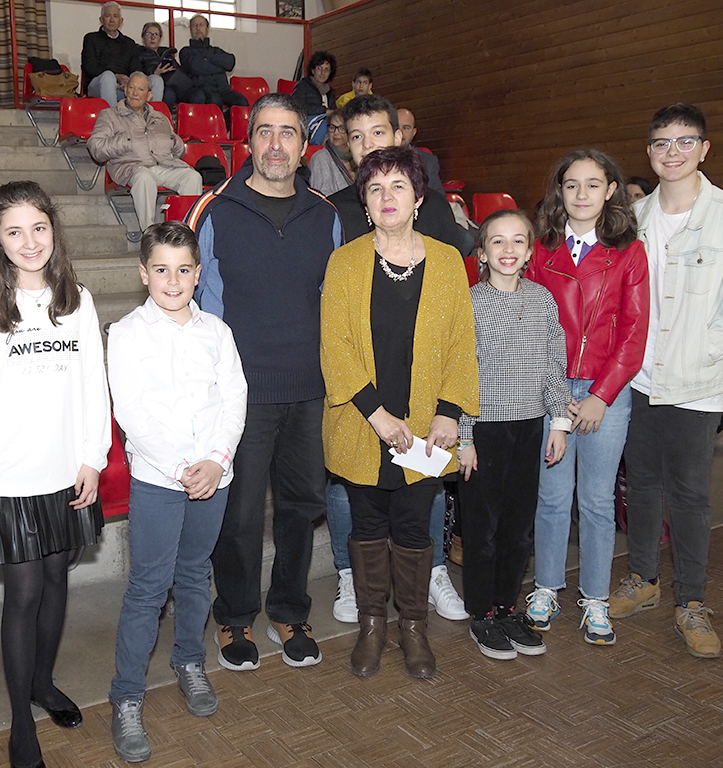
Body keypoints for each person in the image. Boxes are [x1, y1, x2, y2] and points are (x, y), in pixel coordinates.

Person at [184, 92, 342, 672]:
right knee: (242, 514)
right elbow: (190, 308)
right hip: (240, 395)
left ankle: (290, 610)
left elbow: (333, 304)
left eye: (289, 134)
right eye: (265, 132)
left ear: (305, 148)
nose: (276, 144)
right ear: (247, 142)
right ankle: (234, 618)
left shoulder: (326, 216)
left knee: (301, 507)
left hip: (309, 390)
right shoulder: (213, 210)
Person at [0, 181, 111, 768]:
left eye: (38, 228)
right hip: (10, 475)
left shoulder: (78, 299)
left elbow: (94, 384)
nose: (29, 241)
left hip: (67, 466)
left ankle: (42, 684)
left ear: (54, 231)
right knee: (22, 593)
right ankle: (22, 723)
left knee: (55, 578)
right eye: (14, 231)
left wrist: (93, 456)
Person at [610, 103, 723, 658]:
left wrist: (707, 352)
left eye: (684, 141)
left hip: (698, 382)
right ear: (649, 153)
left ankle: (692, 601)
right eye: (660, 143)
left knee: (691, 493)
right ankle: (645, 580)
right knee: (643, 484)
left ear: (704, 149)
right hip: (642, 379)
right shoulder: (637, 217)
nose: (671, 152)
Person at [321, 145, 477, 679]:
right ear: (364, 201)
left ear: (417, 198)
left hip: (428, 426)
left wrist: (450, 412)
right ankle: (371, 626)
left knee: (414, 528)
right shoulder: (345, 261)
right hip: (364, 423)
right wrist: (377, 415)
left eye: (398, 187)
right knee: (365, 526)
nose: (387, 198)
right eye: (375, 188)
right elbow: (334, 344)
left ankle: (413, 627)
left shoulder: (448, 259)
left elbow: (461, 343)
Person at [106, 221, 247, 764]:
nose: (173, 279)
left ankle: (189, 661)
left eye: (183, 269)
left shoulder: (217, 331)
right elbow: (132, 411)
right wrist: (186, 467)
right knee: (147, 587)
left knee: (194, 575)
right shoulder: (127, 333)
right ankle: (126, 696)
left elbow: (234, 397)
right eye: (161, 269)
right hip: (160, 482)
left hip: (215, 475)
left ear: (198, 272)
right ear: (144, 274)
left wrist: (216, 461)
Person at [523, 149, 649, 646]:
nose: (581, 194)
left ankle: (595, 597)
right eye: (571, 185)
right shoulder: (542, 247)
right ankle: (546, 587)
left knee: (596, 502)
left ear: (610, 190)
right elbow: (533, 326)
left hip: (605, 392)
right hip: (552, 389)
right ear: (559, 191)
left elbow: (635, 331)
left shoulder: (629, 251)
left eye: (592, 185)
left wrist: (600, 395)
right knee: (551, 499)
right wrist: (558, 396)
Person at [457, 209, 571, 660]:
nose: (508, 250)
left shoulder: (543, 300)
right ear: (482, 253)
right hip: (483, 431)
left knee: (518, 528)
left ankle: (507, 606)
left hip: (528, 428)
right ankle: (482, 613)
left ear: (529, 251)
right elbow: (459, 374)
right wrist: (464, 437)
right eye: (497, 242)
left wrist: (558, 421)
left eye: (518, 241)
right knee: (482, 530)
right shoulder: (469, 302)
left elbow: (552, 365)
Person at [330, 96, 472, 256]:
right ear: (349, 145)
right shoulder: (333, 211)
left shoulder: (433, 206)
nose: (367, 144)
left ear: (397, 138)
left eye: (377, 132)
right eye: (357, 136)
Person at [88, 71, 202, 230]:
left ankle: (187, 231)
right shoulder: (109, 115)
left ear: (149, 95)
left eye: (140, 89)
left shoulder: (160, 117)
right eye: (131, 88)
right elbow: (96, 149)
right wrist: (126, 141)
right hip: (131, 167)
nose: (135, 93)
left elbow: (178, 150)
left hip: (163, 165)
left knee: (192, 176)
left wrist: (175, 141)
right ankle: (149, 233)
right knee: (144, 178)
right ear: (125, 90)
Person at [81, 2, 162, 107]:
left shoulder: (129, 43)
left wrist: (130, 82)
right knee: (108, 76)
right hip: (100, 85)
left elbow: (136, 68)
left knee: (156, 80)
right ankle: (113, 120)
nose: (112, 20)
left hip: (125, 87)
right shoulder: (91, 39)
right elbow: (90, 67)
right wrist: (116, 76)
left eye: (115, 16)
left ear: (121, 21)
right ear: (101, 20)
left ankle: (151, 119)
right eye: (107, 16)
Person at [179, 15, 248, 113]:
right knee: (214, 100)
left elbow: (230, 63)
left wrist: (207, 58)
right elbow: (195, 67)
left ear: (207, 29)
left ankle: (226, 125)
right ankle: (216, 126)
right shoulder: (185, 52)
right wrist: (220, 66)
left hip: (224, 90)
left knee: (242, 102)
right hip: (203, 90)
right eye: (195, 25)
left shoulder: (216, 50)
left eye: (201, 25)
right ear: (190, 29)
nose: (198, 28)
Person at [137, 21, 201, 112]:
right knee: (169, 94)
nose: (153, 37)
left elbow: (178, 70)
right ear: (143, 37)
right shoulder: (138, 53)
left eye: (156, 34)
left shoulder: (166, 52)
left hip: (177, 84)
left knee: (198, 94)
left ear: (160, 38)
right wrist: (155, 73)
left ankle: (191, 122)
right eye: (148, 34)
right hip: (157, 85)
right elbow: (137, 73)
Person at [396, 107, 445, 198]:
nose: (401, 132)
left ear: (413, 132)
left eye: (406, 128)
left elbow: (439, 198)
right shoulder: (375, 159)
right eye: (397, 127)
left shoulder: (429, 161)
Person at [306, 108, 354, 197]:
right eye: (332, 127)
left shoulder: (357, 157)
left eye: (341, 128)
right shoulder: (321, 158)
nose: (336, 132)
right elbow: (322, 197)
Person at [292, 51, 336, 145]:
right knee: (325, 124)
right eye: (319, 68)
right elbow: (297, 108)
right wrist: (324, 111)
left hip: (326, 123)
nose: (322, 73)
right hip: (305, 122)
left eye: (326, 69)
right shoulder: (302, 86)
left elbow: (334, 111)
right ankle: (315, 147)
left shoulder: (330, 92)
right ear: (313, 70)